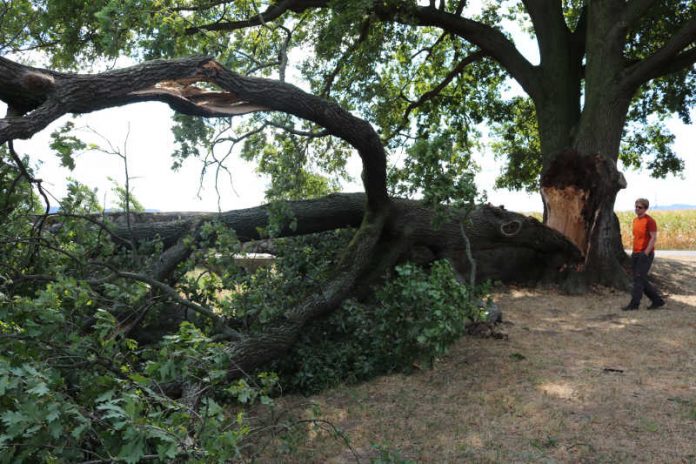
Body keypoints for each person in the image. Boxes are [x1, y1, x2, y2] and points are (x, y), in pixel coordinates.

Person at [623, 198, 665, 311]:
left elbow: (653, 238)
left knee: (638, 279)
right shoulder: (635, 220)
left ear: (645, 208)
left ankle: (634, 304)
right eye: (636, 206)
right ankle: (657, 300)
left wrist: (645, 253)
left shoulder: (650, 221)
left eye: (640, 207)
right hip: (635, 253)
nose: (637, 209)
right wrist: (635, 253)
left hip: (645, 253)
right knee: (640, 279)